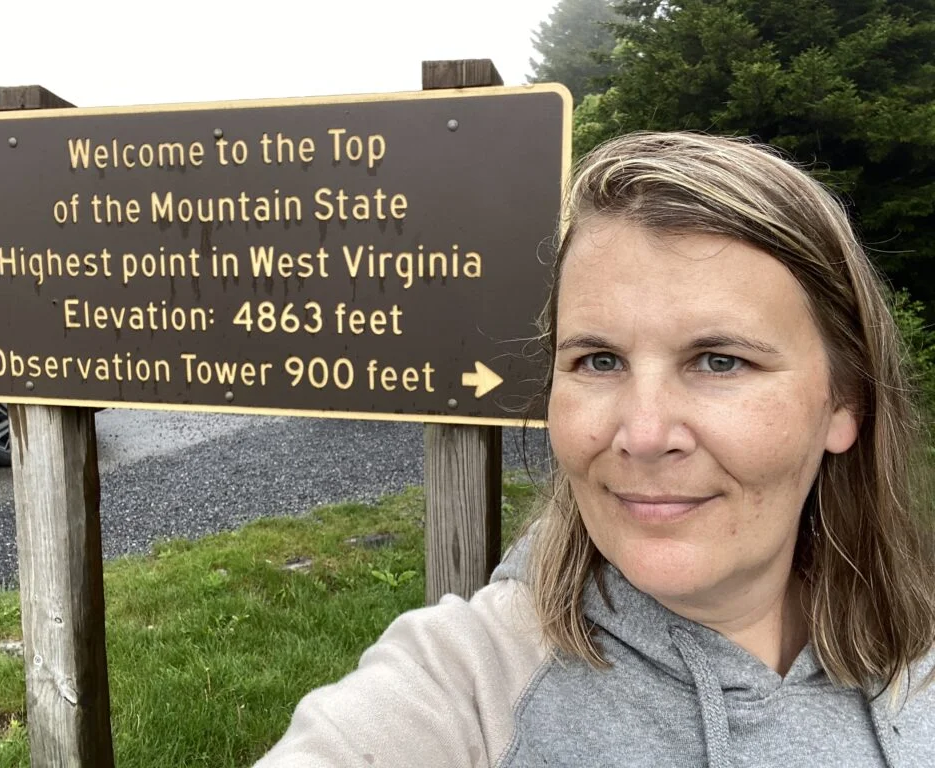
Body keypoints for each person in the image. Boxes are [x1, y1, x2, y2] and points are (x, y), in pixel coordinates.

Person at [254, 132, 935, 767]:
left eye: (719, 361)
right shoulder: (470, 680)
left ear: (843, 402)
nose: (641, 434)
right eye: (600, 360)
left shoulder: (918, 654)